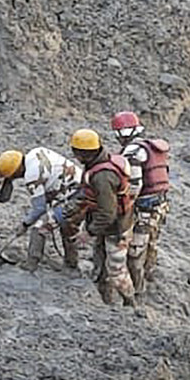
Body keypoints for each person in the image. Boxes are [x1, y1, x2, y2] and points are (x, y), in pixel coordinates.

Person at [68, 128, 137, 306]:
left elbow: (108, 212)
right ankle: (105, 299)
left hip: (116, 228)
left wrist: (88, 232)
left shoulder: (102, 177)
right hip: (108, 224)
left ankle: (130, 303)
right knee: (100, 262)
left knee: (116, 270)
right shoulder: (99, 162)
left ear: (83, 154)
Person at [111, 110, 172, 292]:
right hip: (160, 204)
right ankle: (149, 273)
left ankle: (137, 288)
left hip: (145, 209)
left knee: (136, 250)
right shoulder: (152, 147)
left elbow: (135, 186)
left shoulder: (134, 152)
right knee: (151, 242)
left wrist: (122, 207)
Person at [0, 146, 82, 270]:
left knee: (40, 226)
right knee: (67, 226)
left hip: (74, 196)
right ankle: (71, 263)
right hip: (80, 185)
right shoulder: (36, 152)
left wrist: (25, 224)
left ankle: (31, 264)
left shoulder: (32, 176)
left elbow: (39, 208)